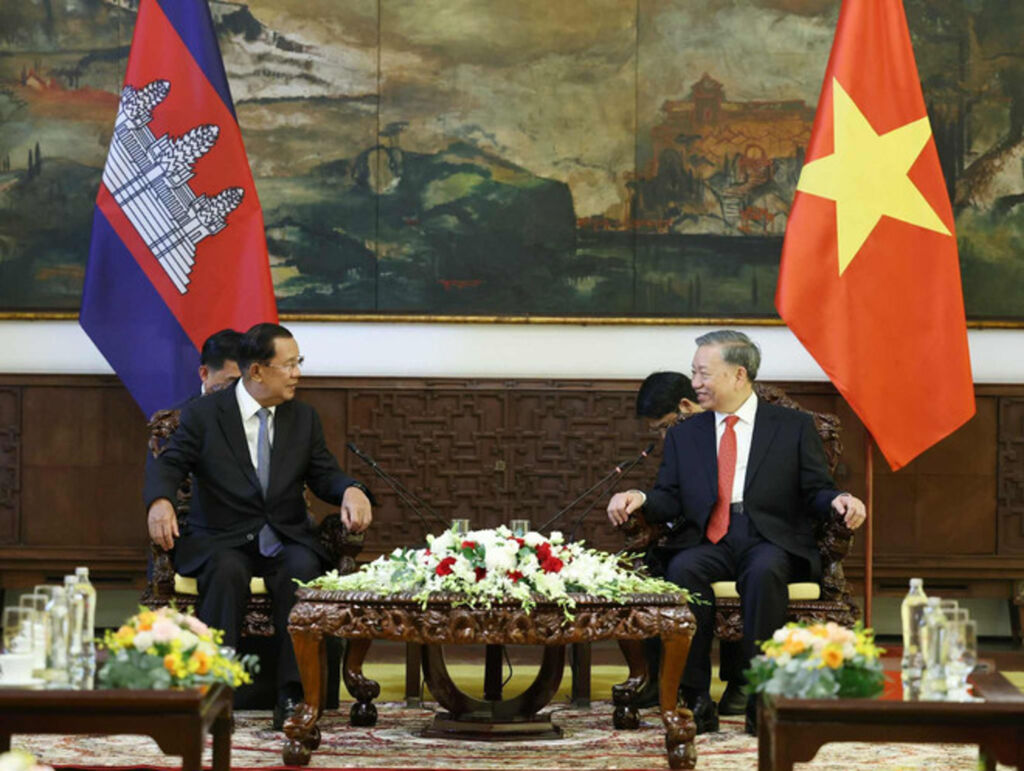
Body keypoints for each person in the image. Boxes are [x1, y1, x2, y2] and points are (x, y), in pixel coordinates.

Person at [607, 330, 866, 735]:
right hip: (708, 537)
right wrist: (638, 497)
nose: (695, 383)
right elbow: (669, 497)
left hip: (769, 536)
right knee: (683, 571)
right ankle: (695, 698)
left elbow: (816, 489)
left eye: (703, 373)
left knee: (765, 572)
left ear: (738, 374)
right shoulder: (685, 433)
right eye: (694, 372)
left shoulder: (793, 427)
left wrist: (841, 500)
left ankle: (760, 697)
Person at [144, 322, 374, 730]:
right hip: (222, 538)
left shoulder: (302, 417)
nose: (297, 373)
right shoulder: (204, 415)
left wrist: (351, 490)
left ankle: (293, 695)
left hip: (285, 535)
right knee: (226, 572)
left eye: (298, 363)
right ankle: (216, 693)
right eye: (289, 365)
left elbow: (324, 474)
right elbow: (170, 465)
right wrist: (160, 501)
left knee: (302, 570)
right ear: (256, 371)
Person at [631, 371, 747, 716]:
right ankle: (663, 678)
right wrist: (640, 498)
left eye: (665, 427)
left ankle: (742, 681)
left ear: (686, 405)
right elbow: (669, 496)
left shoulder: (741, 428)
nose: (664, 437)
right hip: (697, 541)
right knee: (652, 567)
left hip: (747, 536)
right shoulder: (683, 441)